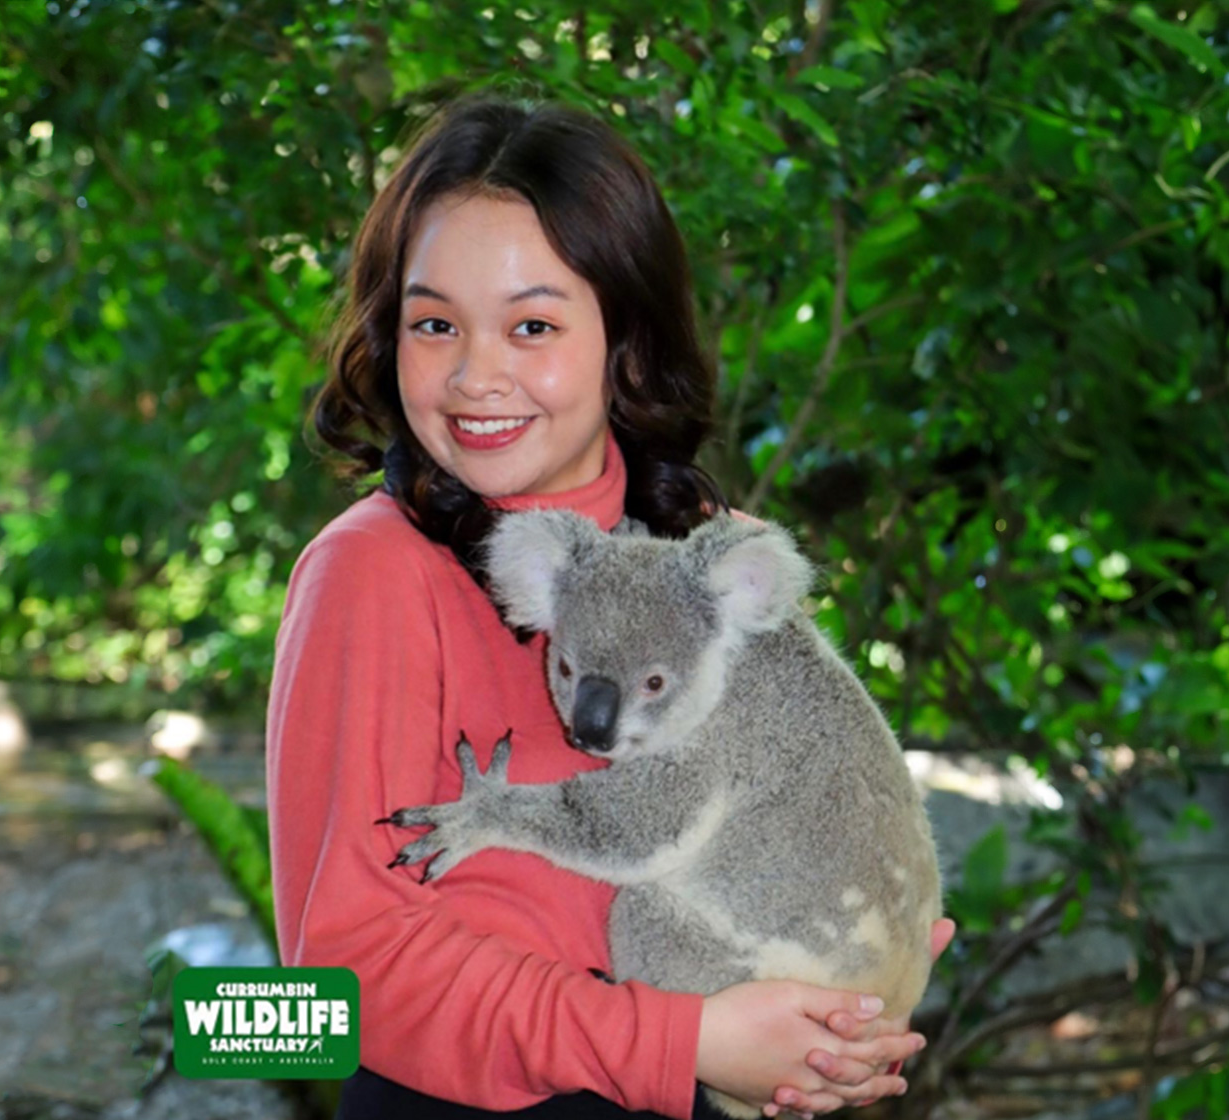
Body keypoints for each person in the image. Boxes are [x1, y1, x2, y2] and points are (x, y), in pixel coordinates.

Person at [264, 93, 955, 1120]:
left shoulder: (697, 541)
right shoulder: (372, 573)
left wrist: (849, 1004)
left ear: (625, 340)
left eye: (532, 323)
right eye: (434, 322)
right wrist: (682, 1041)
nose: (475, 372)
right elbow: (313, 996)